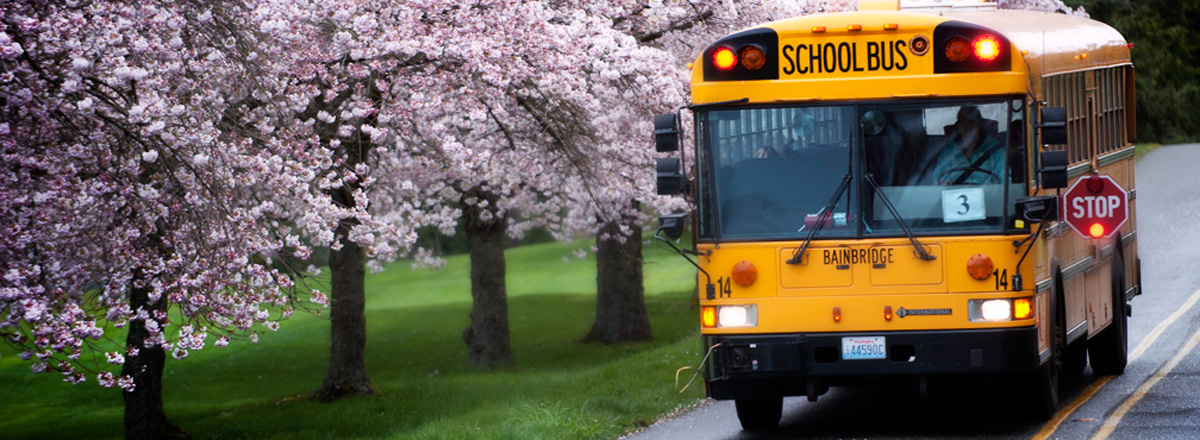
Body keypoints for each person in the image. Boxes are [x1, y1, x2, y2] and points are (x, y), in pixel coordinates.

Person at [933, 105, 1004, 185]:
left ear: (979, 125)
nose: (967, 125)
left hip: (988, 196)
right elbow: (937, 181)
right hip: (954, 195)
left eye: (971, 121)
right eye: (963, 120)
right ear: (958, 125)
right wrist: (944, 183)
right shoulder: (948, 152)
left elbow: (1004, 179)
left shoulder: (995, 150)